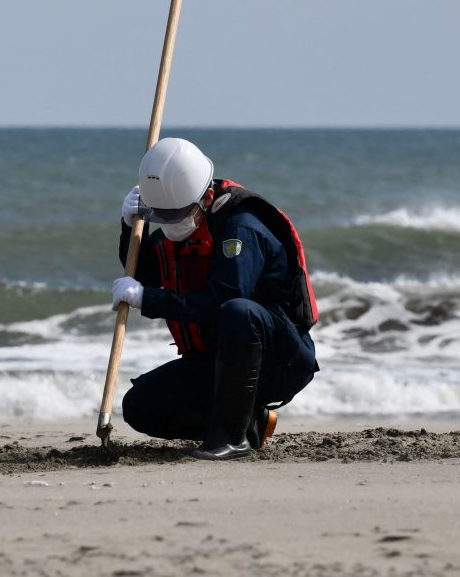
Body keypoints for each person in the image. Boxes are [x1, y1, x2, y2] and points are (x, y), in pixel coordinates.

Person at [111, 137, 320, 461]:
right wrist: (129, 228)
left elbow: (222, 301)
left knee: (238, 311)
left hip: (277, 360)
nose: (170, 225)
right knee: (140, 407)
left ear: (206, 197)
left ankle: (231, 439)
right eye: (161, 217)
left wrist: (147, 299)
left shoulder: (242, 227)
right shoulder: (176, 223)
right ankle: (248, 422)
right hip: (216, 361)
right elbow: (143, 274)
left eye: (176, 215)